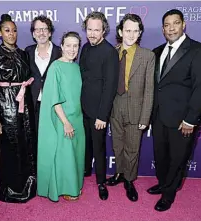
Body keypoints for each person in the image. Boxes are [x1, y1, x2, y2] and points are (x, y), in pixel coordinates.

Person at [148, 9, 201, 211]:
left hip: (182, 120)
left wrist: (191, 120)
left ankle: (169, 194)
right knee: (161, 156)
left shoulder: (197, 50)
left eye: (175, 23)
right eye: (167, 25)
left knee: (177, 158)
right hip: (158, 116)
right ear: (162, 29)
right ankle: (163, 183)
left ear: (183, 24)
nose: (171, 28)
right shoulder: (157, 51)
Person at [0, 14, 37, 204]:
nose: (12, 34)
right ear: (0, 33)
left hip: (25, 107)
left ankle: (27, 185)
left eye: (14, 30)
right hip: (6, 107)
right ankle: (10, 190)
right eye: (7, 30)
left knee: (26, 145)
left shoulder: (23, 53)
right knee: (9, 149)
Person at [106, 14, 155, 202]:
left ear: (140, 33)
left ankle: (129, 180)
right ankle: (119, 173)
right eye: (128, 30)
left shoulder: (147, 56)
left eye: (136, 31)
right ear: (120, 32)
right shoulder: (112, 52)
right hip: (114, 106)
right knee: (117, 145)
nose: (131, 34)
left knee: (132, 148)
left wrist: (145, 118)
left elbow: (150, 90)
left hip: (136, 109)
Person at [37, 31, 85, 202]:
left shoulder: (77, 67)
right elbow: (53, 99)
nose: (72, 49)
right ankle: (65, 188)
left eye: (75, 46)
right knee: (65, 155)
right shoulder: (55, 67)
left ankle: (74, 185)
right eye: (68, 45)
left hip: (78, 118)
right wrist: (65, 122)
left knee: (76, 154)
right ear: (62, 47)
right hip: (63, 118)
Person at [79, 11, 119, 200]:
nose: (92, 33)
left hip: (98, 113)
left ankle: (101, 182)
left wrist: (102, 116)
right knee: (85, 144)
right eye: (89, 29)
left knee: (99, 147)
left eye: (97, 30)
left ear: (104, 30)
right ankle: (86, 170)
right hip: (83, 108)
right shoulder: (85, 47)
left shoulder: (110, 52)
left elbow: (110, 87)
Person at [25, 15, 62, 133]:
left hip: (54, 104)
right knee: (35, 139)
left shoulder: (59, 52)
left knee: (52, 137)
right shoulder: (27, 52)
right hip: (34, 104)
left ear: (50, 33)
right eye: (37, 30)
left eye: (45, 29)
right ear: (33, 34)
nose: (41, 33)